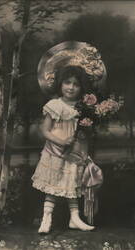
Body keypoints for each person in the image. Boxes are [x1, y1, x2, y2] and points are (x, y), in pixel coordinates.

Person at [31, 65, 96, 233]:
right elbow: (44, 130)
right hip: (56, 150)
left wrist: (82, 140)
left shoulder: (83, 108)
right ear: (60, 84)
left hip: (75, 151)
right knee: (54, 182)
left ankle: (75, 218)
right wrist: (60, 141)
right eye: (67, 82)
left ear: (81, 87)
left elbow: (85, 131)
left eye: (76, 84)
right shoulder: (55, 105)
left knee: (71, 183)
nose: (71, 87)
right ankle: (47, 217)